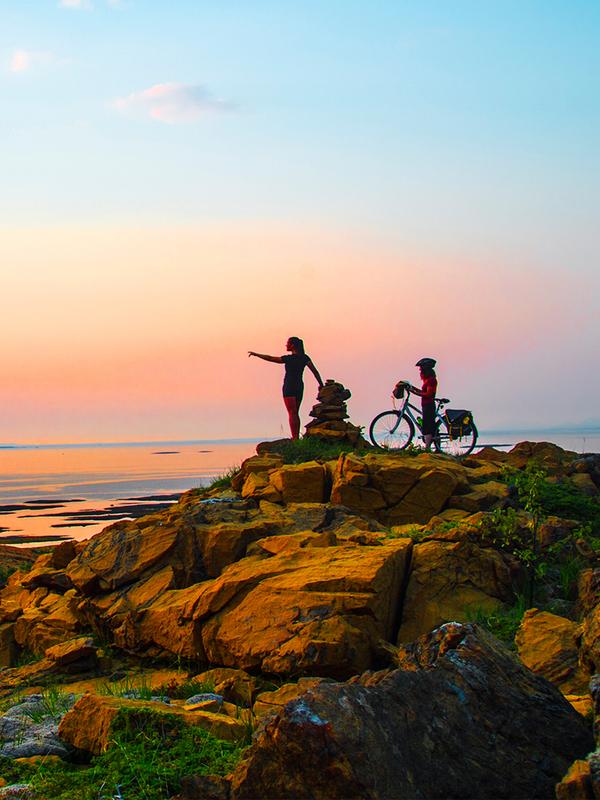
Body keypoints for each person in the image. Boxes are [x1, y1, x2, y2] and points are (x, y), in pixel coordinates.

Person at [248, 337, 323, 440]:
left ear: (292, 345)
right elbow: (315, 371)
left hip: (289, 386)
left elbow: (271, 358)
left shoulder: (289, 358)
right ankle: (296, 437)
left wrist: (257, 354)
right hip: (299, 386)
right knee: (295, 412)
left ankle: (295, 438)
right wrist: (321, 384)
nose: (286, 345)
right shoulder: (304, 358)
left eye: (288, 343)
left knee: (292, 412)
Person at [407, 357, 438, 449]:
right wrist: (412, 388)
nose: (420, 370)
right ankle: (436, 448)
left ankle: (427, 448)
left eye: (421, 368)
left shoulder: (431, 380)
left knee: (427, 428)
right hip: (426, 405)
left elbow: (428, 394)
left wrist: (414, 392)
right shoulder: (428, 380)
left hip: (428, 405)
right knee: (431, 426)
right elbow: (423, 391)